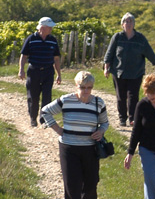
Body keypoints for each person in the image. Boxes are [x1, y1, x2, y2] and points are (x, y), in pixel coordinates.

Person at [41, 71, 109, 199]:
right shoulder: (66, 100)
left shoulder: (98, 103)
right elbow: (45, 112)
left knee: (91, 185)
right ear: (76, 86)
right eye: (82, 87)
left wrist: (100, 132)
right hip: (69, 148)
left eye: (89, 87)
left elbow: (105, 123)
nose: (86, 91)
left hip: (90, 149)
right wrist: (58, 130)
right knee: (72, 186)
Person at [104, 12, 155, 127]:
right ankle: (122, 118)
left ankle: (133, 119)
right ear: (122, 24)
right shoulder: (117, 37)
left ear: (134, 24)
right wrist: (106, 68)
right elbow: (109, 53)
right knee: (121, 97)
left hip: (136, 72)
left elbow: (149, 52)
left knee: (133, 96)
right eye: (126, 21)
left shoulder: (140, 38)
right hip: (119, 71)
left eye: (131, 21)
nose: (128, 24)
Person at [19, 16, 62, 127]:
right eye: (49, 27)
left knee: (47, 97)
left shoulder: (52, 40)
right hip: (34, 71)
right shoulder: (31, 39)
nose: (51, 29)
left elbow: (56, 58)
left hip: (48, 71)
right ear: (42, 27)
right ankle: (33, 118)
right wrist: (21, 70)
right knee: (33, 96)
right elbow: (24, 56)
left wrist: (59, 74)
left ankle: (43, 119)